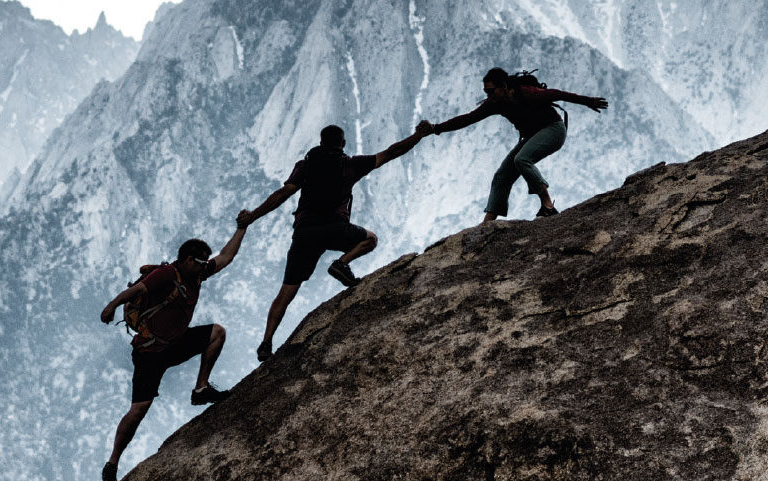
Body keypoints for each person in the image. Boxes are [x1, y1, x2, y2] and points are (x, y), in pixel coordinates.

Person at [238, 122, 432, 361]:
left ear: (321, 143)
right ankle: (342, 263)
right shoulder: (351, 164)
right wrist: (418, 135)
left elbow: (282, 194)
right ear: (343, 144)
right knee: (370, 239)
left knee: (287, 290)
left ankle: (266, 342)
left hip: (304, 233)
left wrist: (253, 216)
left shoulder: (305, 166)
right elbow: (392, 152)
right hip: (335, 228)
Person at [98, 220, 248, 481]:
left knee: (217, 334)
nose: (205, 267)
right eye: (200, 262)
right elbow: (136, 290)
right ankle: (112, 463)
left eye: (204, 263)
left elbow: (225, 257)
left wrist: (242, 228)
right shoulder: (168, 274)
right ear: (188, 260)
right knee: (139, 410)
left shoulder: (197, 274)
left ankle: (201, 388)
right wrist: (111, 306)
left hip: (175, 343)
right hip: (149, 353)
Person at [426, 67, 608, 222]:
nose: (489, 95)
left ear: (504, 86)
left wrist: (588, 101)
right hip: (533, 136)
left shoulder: (526, 93)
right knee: (502, 176)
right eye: (486, 92)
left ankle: (548, 205)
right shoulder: (494, 103)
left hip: (554, 130)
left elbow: (557, 94)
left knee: (522, 159)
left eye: (491, 90)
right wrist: (436, 128)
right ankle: (488, 223)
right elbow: (468, 119)